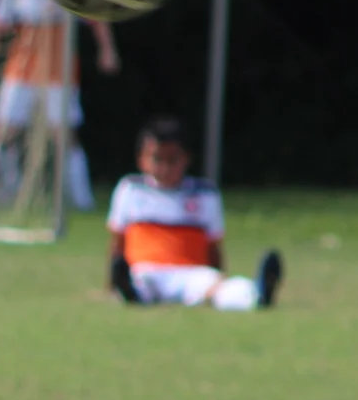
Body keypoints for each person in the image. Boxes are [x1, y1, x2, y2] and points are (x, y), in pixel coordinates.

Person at [0, 0, 119, 210]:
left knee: (63, 135)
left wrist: (107, 50)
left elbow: (95, 16)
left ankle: (80, 198)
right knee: (3, 131)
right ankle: (9, 192)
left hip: (59, 73)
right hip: (21, 71)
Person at [106, 115, 282, 310]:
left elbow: (213, 246)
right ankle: (130, 293)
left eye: (172, 160)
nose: (165, 168)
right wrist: (111, 282)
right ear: (142, 159)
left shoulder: (205, 193)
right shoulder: (130, 189)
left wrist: (217, 276)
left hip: (190, 272)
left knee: (218, 288)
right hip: (146, 270)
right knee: (138, 283)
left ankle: (256, 294)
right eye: (157, 159)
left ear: (186, 159)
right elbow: (118, 242)